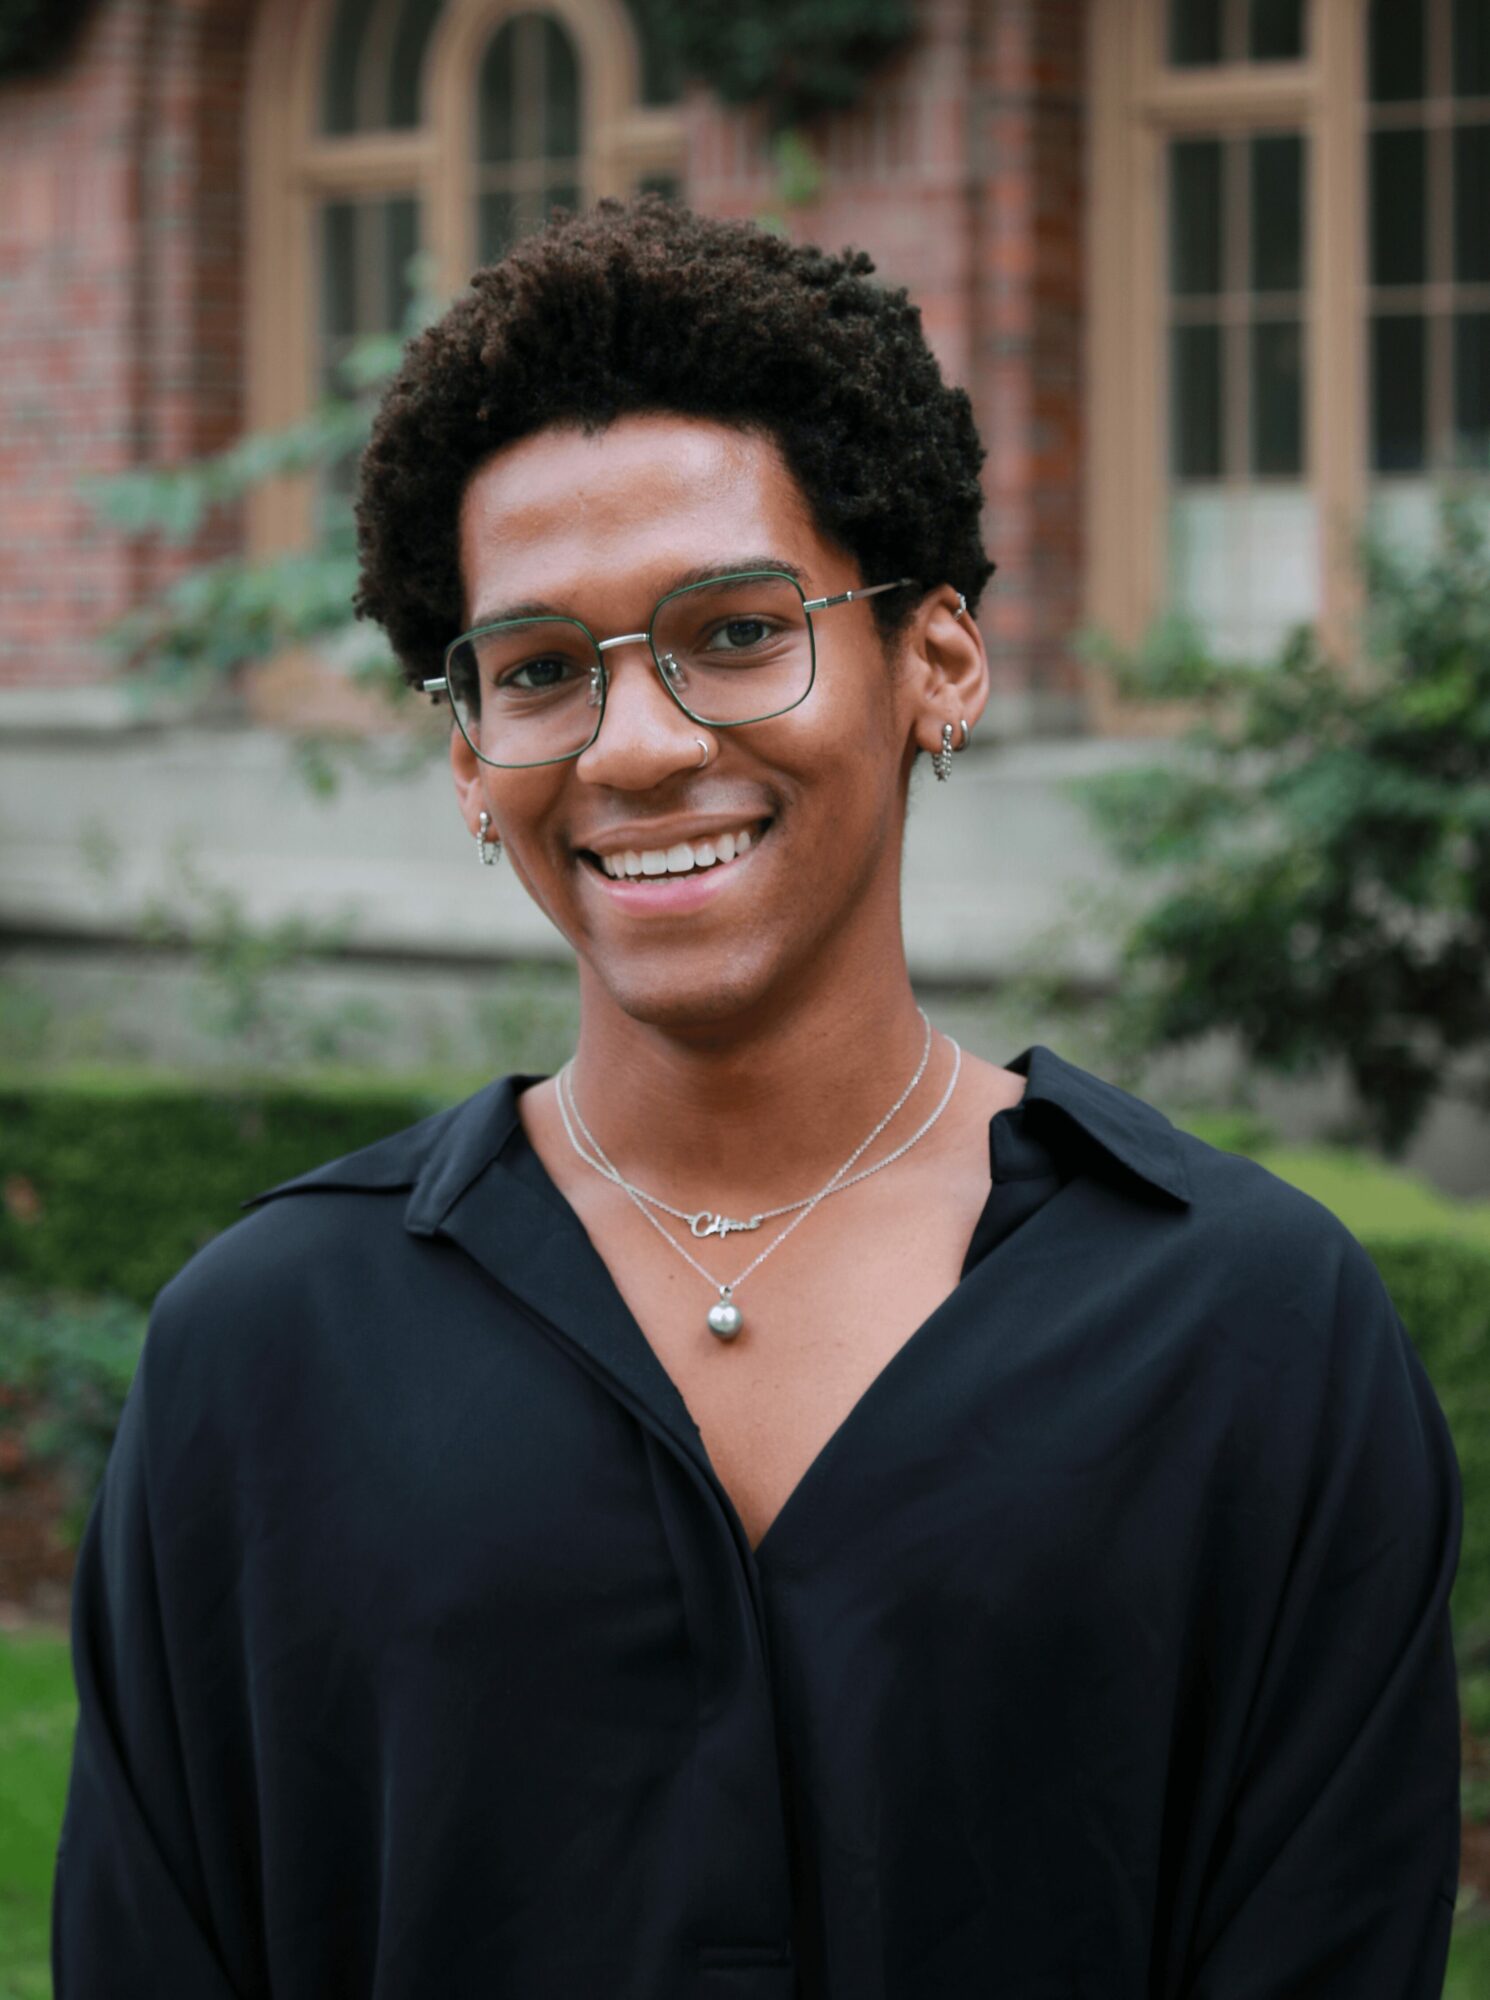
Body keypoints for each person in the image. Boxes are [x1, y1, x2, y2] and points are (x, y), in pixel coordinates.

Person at [52, 198, 1462, 1999]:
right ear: (471, 760)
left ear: (935, 664)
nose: (637, 746)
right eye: (539, 671)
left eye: (733, 632)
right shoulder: (263, 1355)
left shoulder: (1247, 1333)